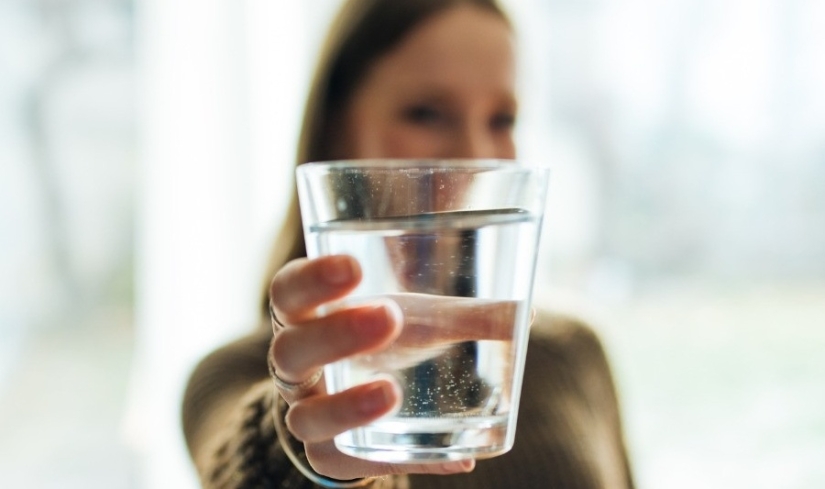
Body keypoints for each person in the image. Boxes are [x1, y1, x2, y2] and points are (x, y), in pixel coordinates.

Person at [182, 0, 635, 487]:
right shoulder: (228, 377)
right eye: (427, 113)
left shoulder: (571, 355)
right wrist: (302, 445)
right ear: (336, 128)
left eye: (501, 120)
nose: (476, 154)